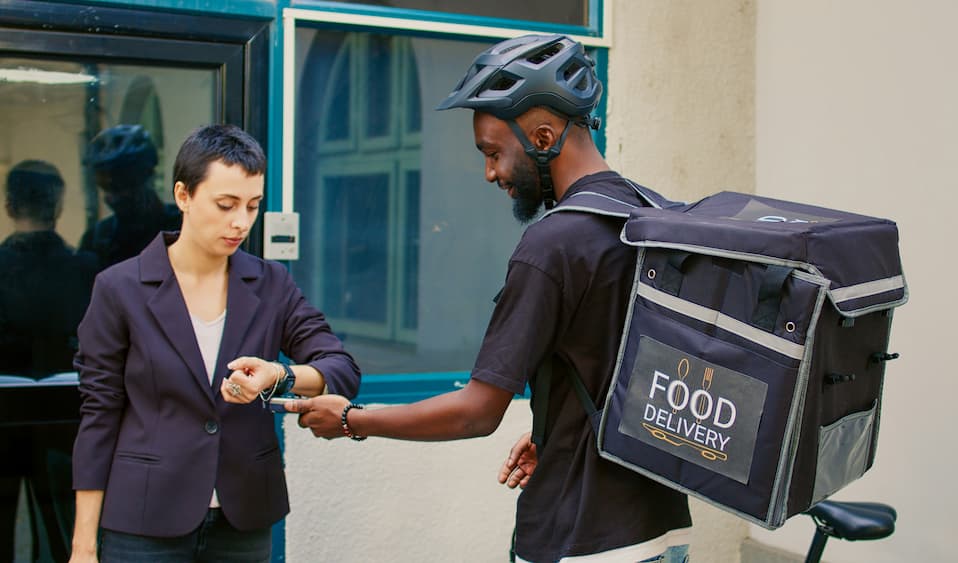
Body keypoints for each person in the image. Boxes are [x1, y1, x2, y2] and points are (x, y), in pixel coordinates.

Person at [286, 34, 692, 562]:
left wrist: (349, 421)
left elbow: (476, 413)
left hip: (581, 542)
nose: (490, 173)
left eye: (493, 152)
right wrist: (556, 432)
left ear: (544, 136)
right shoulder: (652, 217)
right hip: (664, 532)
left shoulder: (553, 244)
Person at [69, 124, 362, 563]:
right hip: (143, 519)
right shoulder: (120, 288)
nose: (241, 222)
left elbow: (341, 367)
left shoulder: (271, 283)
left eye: (252, 206)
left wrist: (281, 375)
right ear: (183, 195)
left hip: (243, 516)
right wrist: (83, 545)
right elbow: (100, 414)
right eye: (225, 205)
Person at [0, 160, 98, 562]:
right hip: (64, 419)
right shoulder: (83, 268)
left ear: (8, 205)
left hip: (5, 419)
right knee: (63, 535)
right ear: (57, 205)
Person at [79, 123, 182, 269]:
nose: (111, 198)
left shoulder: (183, 226)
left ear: (147, 177)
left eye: (120, 186)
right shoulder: (97, 238)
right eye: (104, 188)